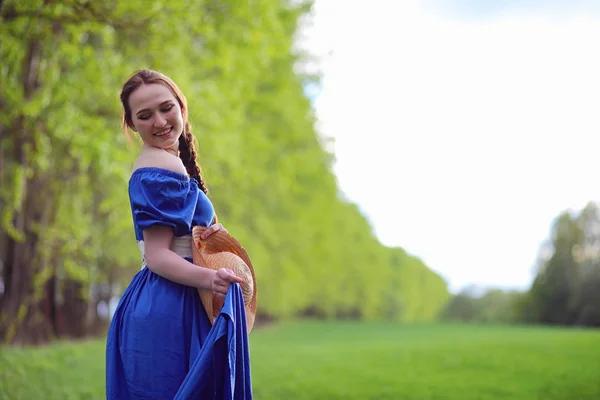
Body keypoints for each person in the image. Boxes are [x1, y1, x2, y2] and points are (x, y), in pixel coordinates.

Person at [105, 69, 252, 399]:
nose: (159, 121)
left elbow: (181, 238)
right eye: (145, 115)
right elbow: (157, 256)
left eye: (166, 108)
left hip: (176, 297)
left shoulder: (170, 162)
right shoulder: (159, 167)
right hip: (169, 305)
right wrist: (211, 279)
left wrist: (211, 236)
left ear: (181, 107)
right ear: (132, 124)